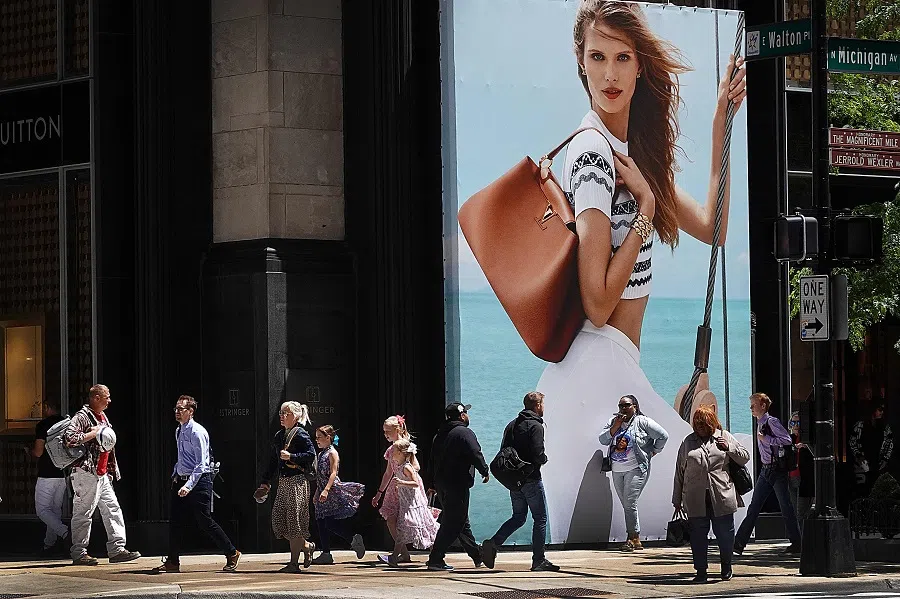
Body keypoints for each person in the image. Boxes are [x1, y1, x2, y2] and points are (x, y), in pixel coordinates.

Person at [534, 0, 747, 544]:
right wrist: (646, 213)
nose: (609, 73)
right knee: (730, 488)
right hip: (595, 375)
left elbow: (715, 227)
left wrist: (722, 122)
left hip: (612, 375)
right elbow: (599, 300)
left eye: (622, 57)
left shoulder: (628, 156)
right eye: (597, 56)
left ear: (639, 66)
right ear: (580, 63)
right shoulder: (592, 156)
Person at [151, 396, 240, 574]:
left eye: (181, 409)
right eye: (176, 409)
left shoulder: (197, 432)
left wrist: (189, 486)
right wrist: (176, 474)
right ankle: (172, 561)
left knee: (204, 520)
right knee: (175, 522)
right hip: (182, 480)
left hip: (199, 481)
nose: (177, 412)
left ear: (190, 412)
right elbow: (183, 458)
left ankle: (232, 552)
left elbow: (201, 464)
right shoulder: (179, 430)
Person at [62, 384, 141, 565]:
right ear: (96, 398)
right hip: (86, 472)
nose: (110, 400)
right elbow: (69, 438)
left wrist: (110, 471)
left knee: (112, 509)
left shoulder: (102, 416)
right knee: (84, 512)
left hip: (102, 473)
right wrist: (92, 433)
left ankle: (117, 549)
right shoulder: (82, 416)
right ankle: (79, 553)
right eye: (107, 397)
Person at [482, 392, 559, 572]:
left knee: (518, 517)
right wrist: (544, 459)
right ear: (538, 405)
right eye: (542, 404)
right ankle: (538, 560)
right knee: (540, 518)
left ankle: (494, 543)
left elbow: (503, 450)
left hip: (515, 480)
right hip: (531, 478)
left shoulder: (512, 425)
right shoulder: (536, 426)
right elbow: (538, 453)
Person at [673, 405, 750, 583]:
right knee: (698, 537)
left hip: (721, 495)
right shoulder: (687, 442)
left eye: (703, 422)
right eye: (697, 422)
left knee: (725, 534)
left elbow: (745, 456)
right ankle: (701, 571)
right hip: (695, 497)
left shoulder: (723, 436)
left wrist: (729, 447)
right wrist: (676, 499)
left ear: (712, 422)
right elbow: (679, 472)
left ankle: (726, 567)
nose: (699, 426)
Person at [734, 393, 802, 555]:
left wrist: (767, 440)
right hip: (769, 469)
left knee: (758, 507)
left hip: (773, 469)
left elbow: (787, 440)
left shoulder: (771, 422)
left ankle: (738, 544)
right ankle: (797, 542)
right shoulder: (761, 423)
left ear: (763, 406)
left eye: (753, 405)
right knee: (783, 506)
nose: (751, 408)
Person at [425, 402, 490, 572]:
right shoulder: (464, 433)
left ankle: (477, 556)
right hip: (457, 483)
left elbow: (432, 460)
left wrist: (431, 483)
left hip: (441, 485)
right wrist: (484, 470)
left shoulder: (439, 434)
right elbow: (475, 452)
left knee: (460, 521)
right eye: (466, 413)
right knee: (454, 522)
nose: (468, 416)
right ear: (461, 415)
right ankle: (435, 559)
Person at [598, 395, 669, 551]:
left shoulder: (642, 422)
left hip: (636, 468)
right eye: (620, 405)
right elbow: (602, 440)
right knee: (627, 504)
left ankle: (634, 538)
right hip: (617, 469)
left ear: (635, 406)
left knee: (630, 503)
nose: (623, 408)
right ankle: (633, 537)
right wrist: (615, 427)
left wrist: (654, 451)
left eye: (627, 405)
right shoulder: (613, 422)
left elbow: (663, 435)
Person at [255, 401, 316, 572]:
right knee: (279, 520)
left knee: (294, 521)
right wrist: (265, 482)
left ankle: (293, 563)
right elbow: (273, 461)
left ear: (295, 416)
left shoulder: (301, 434)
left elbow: (310, 455)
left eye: (285, 413)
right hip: (283, 482)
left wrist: (292, 456)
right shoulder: (279, 436)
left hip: (296, 482)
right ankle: (306, 546)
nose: (281, 416)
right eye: (281, 413)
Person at [379, 438, 440, 566]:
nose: (392, 453)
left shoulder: (407, 467)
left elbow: (415, 483)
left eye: (394, 450)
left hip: (413, 504)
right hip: (406, 502)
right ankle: (395, 557)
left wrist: (401, 482)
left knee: (422, 526)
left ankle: (434, 554)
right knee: (402, 528)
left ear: (401, 453)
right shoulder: (401, 467)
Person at [311, 425, 366, 565]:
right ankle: (326, 553)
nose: (316, 440)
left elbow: (333, 473)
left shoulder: (332, 453)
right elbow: (319, 476)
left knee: (329, 521)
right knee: (321, 521)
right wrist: (318, 491)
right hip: (322, 489)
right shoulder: (321, 453)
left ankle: (353, 539)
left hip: (332, 490)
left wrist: (326, 490)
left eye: (319, 437)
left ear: (328, 438)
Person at [372, 415, 420, 564]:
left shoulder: (404, 446)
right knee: (391, 520)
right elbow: (388, 472)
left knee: (407, 521)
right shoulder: (391, 449)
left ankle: (396, 554)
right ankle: (403, 553)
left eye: (388, 431)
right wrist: (379, 493)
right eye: (384, 432)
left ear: (397, 429)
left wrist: (405, 471)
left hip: (406, 486)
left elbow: (416, 467)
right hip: (395, 487)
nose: (386, 434)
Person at [29, 401, 69, 556]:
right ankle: (49, 545)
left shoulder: (43, 425)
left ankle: (65, 533)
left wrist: (30, 452)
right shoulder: (66, 424)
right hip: (63, 472)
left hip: (46, 473)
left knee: (42, 510)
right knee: (55, 510)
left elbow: (38, 452)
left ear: (47, 407)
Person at [849, 402, 893, 498]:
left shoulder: (884, 427)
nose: (881, 413)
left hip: (878, 462)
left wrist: (885, 459)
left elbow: (890, 443)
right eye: (879, 410)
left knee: (877, 489)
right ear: (873, 410)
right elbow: (852, 442)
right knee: (863, 490)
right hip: (863, 463)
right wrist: (858, 456)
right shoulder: (860, 425)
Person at [788, 410, 814, 520]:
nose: (796, 426)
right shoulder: (789, 439)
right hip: (791, 477)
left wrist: (806, 446)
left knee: (801, 511)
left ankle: (802, 536)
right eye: (793, 423)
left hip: (804, 479)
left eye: (798, 423)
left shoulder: (809, 439)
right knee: (792, 510)